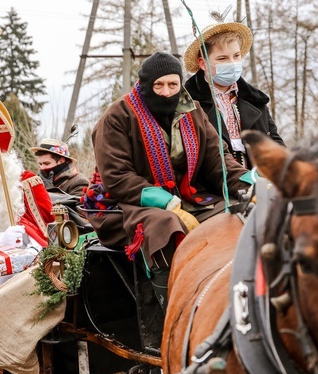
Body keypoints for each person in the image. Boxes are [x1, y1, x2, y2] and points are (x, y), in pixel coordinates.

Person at [91, 52, 252, 310]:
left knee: (238, 214)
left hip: (190, 197)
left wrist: (250, 182)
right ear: (145, 85)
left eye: (173, 84)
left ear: (180, 84)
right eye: (158, 85)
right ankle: (175, 310)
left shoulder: (194, 111)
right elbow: (116, 176)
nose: (166, 92)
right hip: (130, 204)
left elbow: (216, 161)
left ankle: (231, 296)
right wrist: (165, 201)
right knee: (165, 225)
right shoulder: (117, 117)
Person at [184, 22, 283, 168]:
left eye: (236, 56)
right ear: (203, 63)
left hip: (259, 182)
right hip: (213, 186)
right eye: (222, 58)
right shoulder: (188, 104)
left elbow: (274, 142)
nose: (232, 63)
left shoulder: (255, 100)